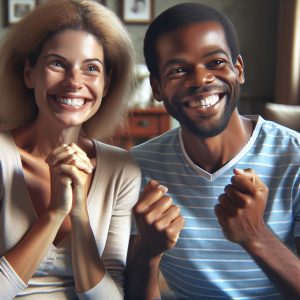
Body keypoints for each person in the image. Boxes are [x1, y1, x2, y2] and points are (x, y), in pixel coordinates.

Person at [125, 2, 300, 300]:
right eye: (178, 70)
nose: (201, 80)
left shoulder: (294, 158)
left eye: (216, 62)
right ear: (157, 88)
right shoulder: (137, 168)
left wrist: (256, 236)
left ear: (239, 70)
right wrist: (147, 253)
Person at [0, 0, 141, 299]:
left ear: (106, 83)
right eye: (57, 64)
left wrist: (79, 214)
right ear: (29, 74)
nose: (74, 82)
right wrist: (55, 213)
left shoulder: (121, 169)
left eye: (91, 68)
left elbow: (112, 296)